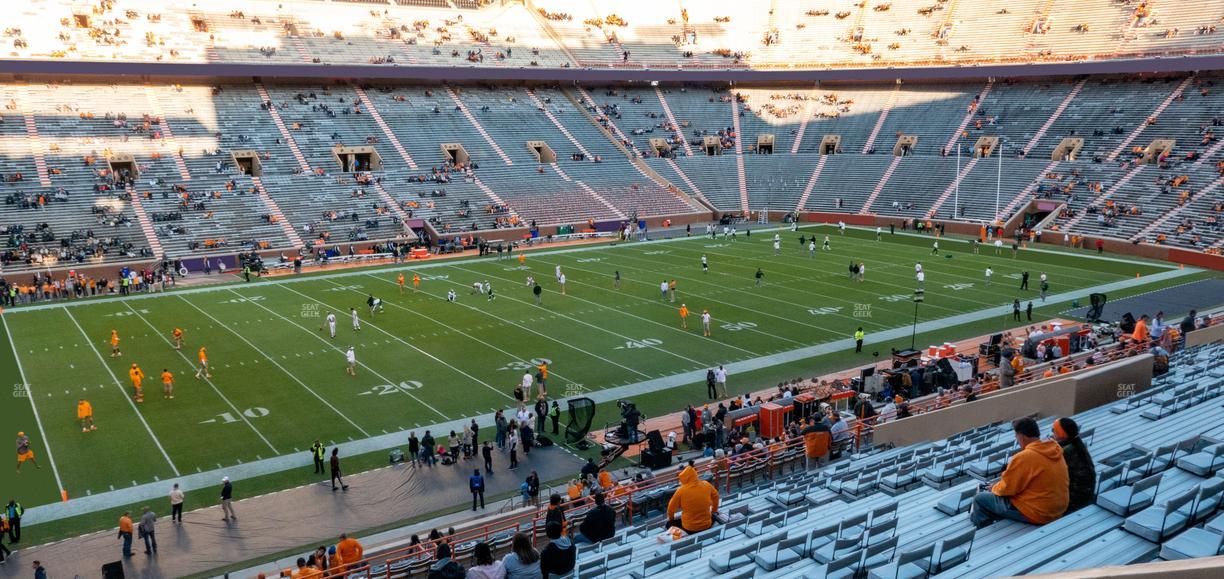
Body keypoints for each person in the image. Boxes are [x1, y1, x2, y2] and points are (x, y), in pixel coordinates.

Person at [971, 417, 1068, 528]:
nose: (1017, 440)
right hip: (1058, 509)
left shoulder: (1024, 457)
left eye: (1016, 436)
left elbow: (1007, 489)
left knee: (979, 499)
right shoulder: (1054, 449)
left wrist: (993, 488)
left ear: (1021, 436)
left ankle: (982, 529)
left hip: (1040, 513)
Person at [1053, 417, 1096, 512]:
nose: (1052, 433)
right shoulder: (1078, 443)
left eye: (1054, 430)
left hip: (1075, 499)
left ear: (1061, 434)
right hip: (1088, 493)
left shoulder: (1065, 451)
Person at [666, 465, 720, 533]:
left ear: (683, 478)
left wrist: (671, 518)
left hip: (689, 528)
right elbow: (716, 496)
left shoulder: (680, 490)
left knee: (669, 523)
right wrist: (714, 510)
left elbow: (670, 508)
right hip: (707, 525)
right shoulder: (706, 484)